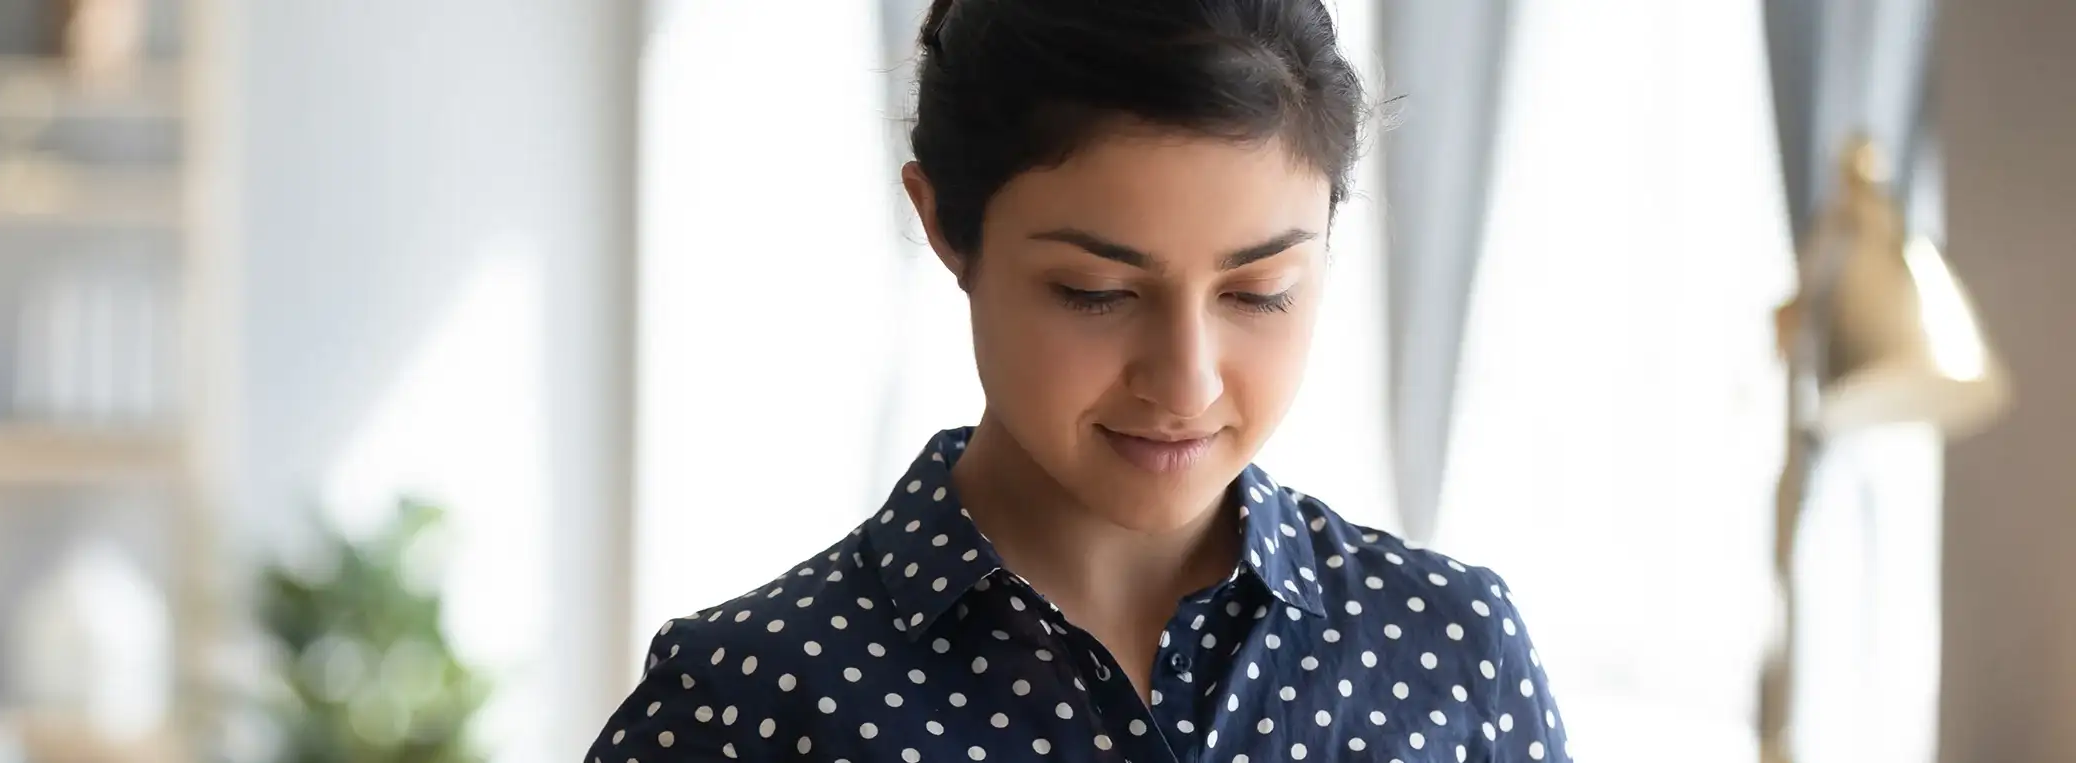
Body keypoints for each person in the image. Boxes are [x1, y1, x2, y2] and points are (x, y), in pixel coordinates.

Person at [585, 0, 1570, 760]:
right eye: (1096, 290)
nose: (1186, 382)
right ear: (945, 226)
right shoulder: (742, 706)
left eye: (1261, 290)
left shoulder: (1457, 656)